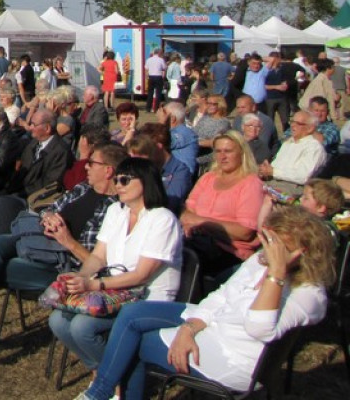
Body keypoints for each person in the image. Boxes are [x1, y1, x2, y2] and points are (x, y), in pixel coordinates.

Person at [74, 206, 334, 400]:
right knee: (133, 314)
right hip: (212, 325)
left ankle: (102, 393)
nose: (267, 250)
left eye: (276, 245)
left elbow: (258, 329)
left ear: (302, 252)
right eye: (268, 241)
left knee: (135, 343)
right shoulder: (260, 262)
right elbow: (221, 295)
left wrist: (275, 275)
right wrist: (189, 328)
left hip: (232, 359)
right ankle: (100, 392)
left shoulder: (308, 295)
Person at [0, 142, 127, 373]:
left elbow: (98, 263)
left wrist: (67, 241)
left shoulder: (114, 210)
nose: (86, 166)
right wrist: (48, 218)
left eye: (92, 163)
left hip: (62, 266)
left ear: (108, 170)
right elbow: (48, 208)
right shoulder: (82, 189)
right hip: (37, 243)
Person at [48, 157, 183, 373]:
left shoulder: (162, 219)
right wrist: (80, 277)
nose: (118, 185)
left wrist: (94, 285)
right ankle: (104, 373)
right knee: (58, 321)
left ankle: (115, 378)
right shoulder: (116, 211)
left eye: (125, 180)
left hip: (147, 297)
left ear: (146, 182)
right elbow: (98, 257)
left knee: (83, 327)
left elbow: (142, 275)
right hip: (114, 292)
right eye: (117, 180)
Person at [181, 130, 264, 279]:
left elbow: (244, 232)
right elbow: (186, 211)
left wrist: (201, 222)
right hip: (198, 240)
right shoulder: (208, 178)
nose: (222, 156)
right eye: (218, 151)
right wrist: (190, 223)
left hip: (229, 251)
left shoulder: (251, 184)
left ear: (242, 153)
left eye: (228, 151)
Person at [259, 110, 328, 188]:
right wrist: (265, 170)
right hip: (274, 183)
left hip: (294, 187)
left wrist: (273, 172)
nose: (292, 125)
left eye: (298, 123)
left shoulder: (314, 147)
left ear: (310, 128)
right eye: (292, 122)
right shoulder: (288, 143)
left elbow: (303, 177)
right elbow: (274, 168)